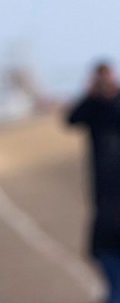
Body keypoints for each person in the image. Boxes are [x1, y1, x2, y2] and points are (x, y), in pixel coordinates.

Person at [67, 62, 120, 303]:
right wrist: (91, 95)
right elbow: (71, 119)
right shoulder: (93, 108)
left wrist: (112, 94)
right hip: (106, 202)